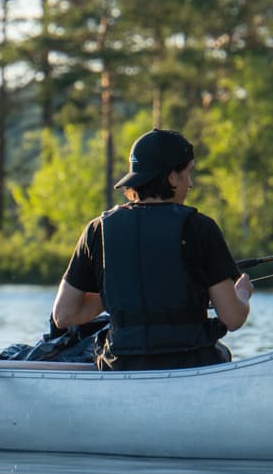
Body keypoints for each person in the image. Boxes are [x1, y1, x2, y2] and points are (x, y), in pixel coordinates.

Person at [51, 129, 253, 370]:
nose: (190, 183)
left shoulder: (97, 230)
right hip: (192, 363)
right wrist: (242, 294)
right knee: (223, 352)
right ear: (172, 177)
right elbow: (232, 318)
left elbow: (64, 315)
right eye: (188, 173)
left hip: (121, 366)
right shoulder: (200, 228)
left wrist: (117, 295)